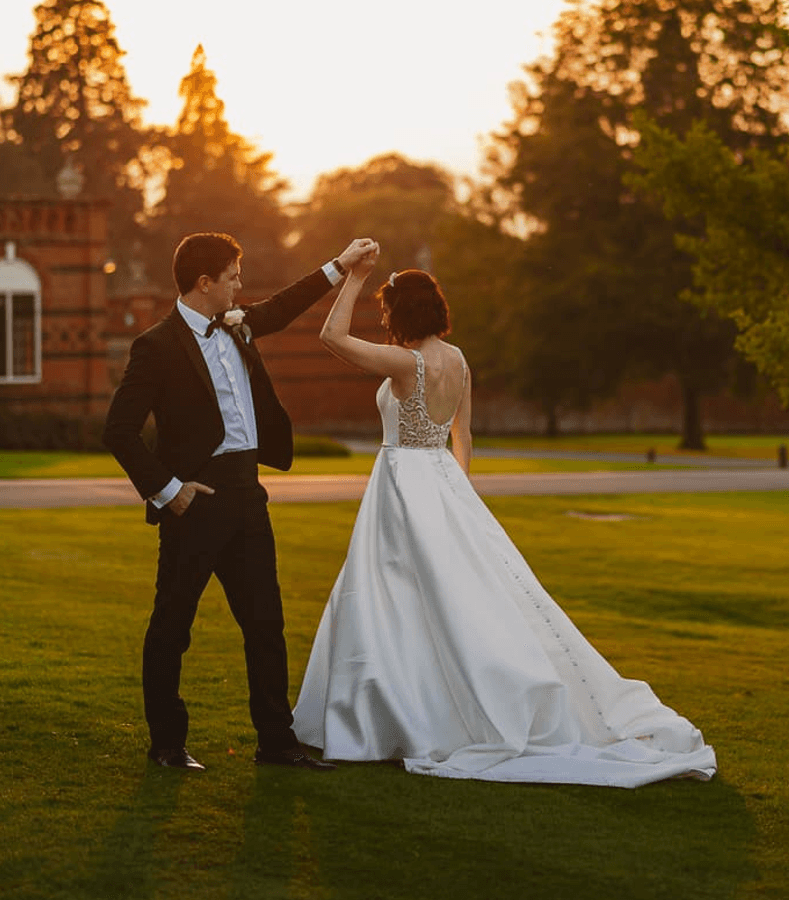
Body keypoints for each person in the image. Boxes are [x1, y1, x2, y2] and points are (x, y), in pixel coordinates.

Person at [292, 259, 717, 787]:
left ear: (400, 311)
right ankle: (413, 705)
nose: (383, 320)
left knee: (388, 597)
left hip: (401, 482)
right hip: (443, 481)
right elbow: (462, 438)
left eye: (385, 309)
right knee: (446, 599)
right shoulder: (459, 360)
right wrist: (456, 492)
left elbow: (332, 336)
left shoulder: (406, 363)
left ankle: (391, 717)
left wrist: (353, 274)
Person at [104, 231, 378, 772]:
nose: (240, 285)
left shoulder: (239, 323)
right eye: (233, 276)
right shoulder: (155, 347)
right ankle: (167, 745)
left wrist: (340, 265)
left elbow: (283, 305)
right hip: (196, 500)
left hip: (249, 495)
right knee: (172, 626)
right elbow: (119, 431)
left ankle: (276, 742)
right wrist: (169, 491)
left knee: (265, 624)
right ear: (204, 283)